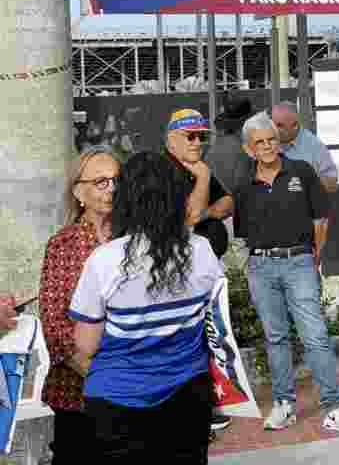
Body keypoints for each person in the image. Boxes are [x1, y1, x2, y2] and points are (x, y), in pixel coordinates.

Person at [69, 152, 222, 463]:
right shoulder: (202, 251)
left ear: (126, 199)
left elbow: (85, 345)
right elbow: (214, 320)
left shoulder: (105, 260)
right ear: (178, 198)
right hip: (188, 395)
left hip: (117, 399)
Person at [234, 111, 339, 435]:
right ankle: (283, 405)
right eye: (259, 142)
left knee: (315, 336)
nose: (267, 146)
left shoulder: (301, 170)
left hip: (299, 262)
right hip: (260, 268)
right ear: (249, 149)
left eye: (271, 139)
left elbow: (321, 220)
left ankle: (334, 407)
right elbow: (243, 233)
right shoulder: (243, 185)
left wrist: (311, 256)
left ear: (279, 141)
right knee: (275, 338)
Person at [38, 146, 119, 464]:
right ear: (79, 192)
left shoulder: (132, 238)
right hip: (77, 391)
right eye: (101, 182)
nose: (111, 188)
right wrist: (95, 374)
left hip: (130, 387)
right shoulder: (64, 243)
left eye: (116, 180)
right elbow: (55, 324)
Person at [163, 108, 234, 433]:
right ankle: (194, 412)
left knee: (207, 336)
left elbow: (228, 201)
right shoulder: (166, 169)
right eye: (189, 136)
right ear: (171, 139)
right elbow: (190, 218)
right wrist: (203, 180)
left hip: (203, 271)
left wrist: (208, 209)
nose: (197, 142)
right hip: (177, 273)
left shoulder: (197, 166)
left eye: (201, 136)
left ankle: (205, 405)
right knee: (186, 339)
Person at [271, 101, 339, 266]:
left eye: (278, 125)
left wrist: (308, 179)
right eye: (273, 124)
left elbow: (333, 183)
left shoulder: (313, 146)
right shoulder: (267, 142)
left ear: (293, 125)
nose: (274, 129)